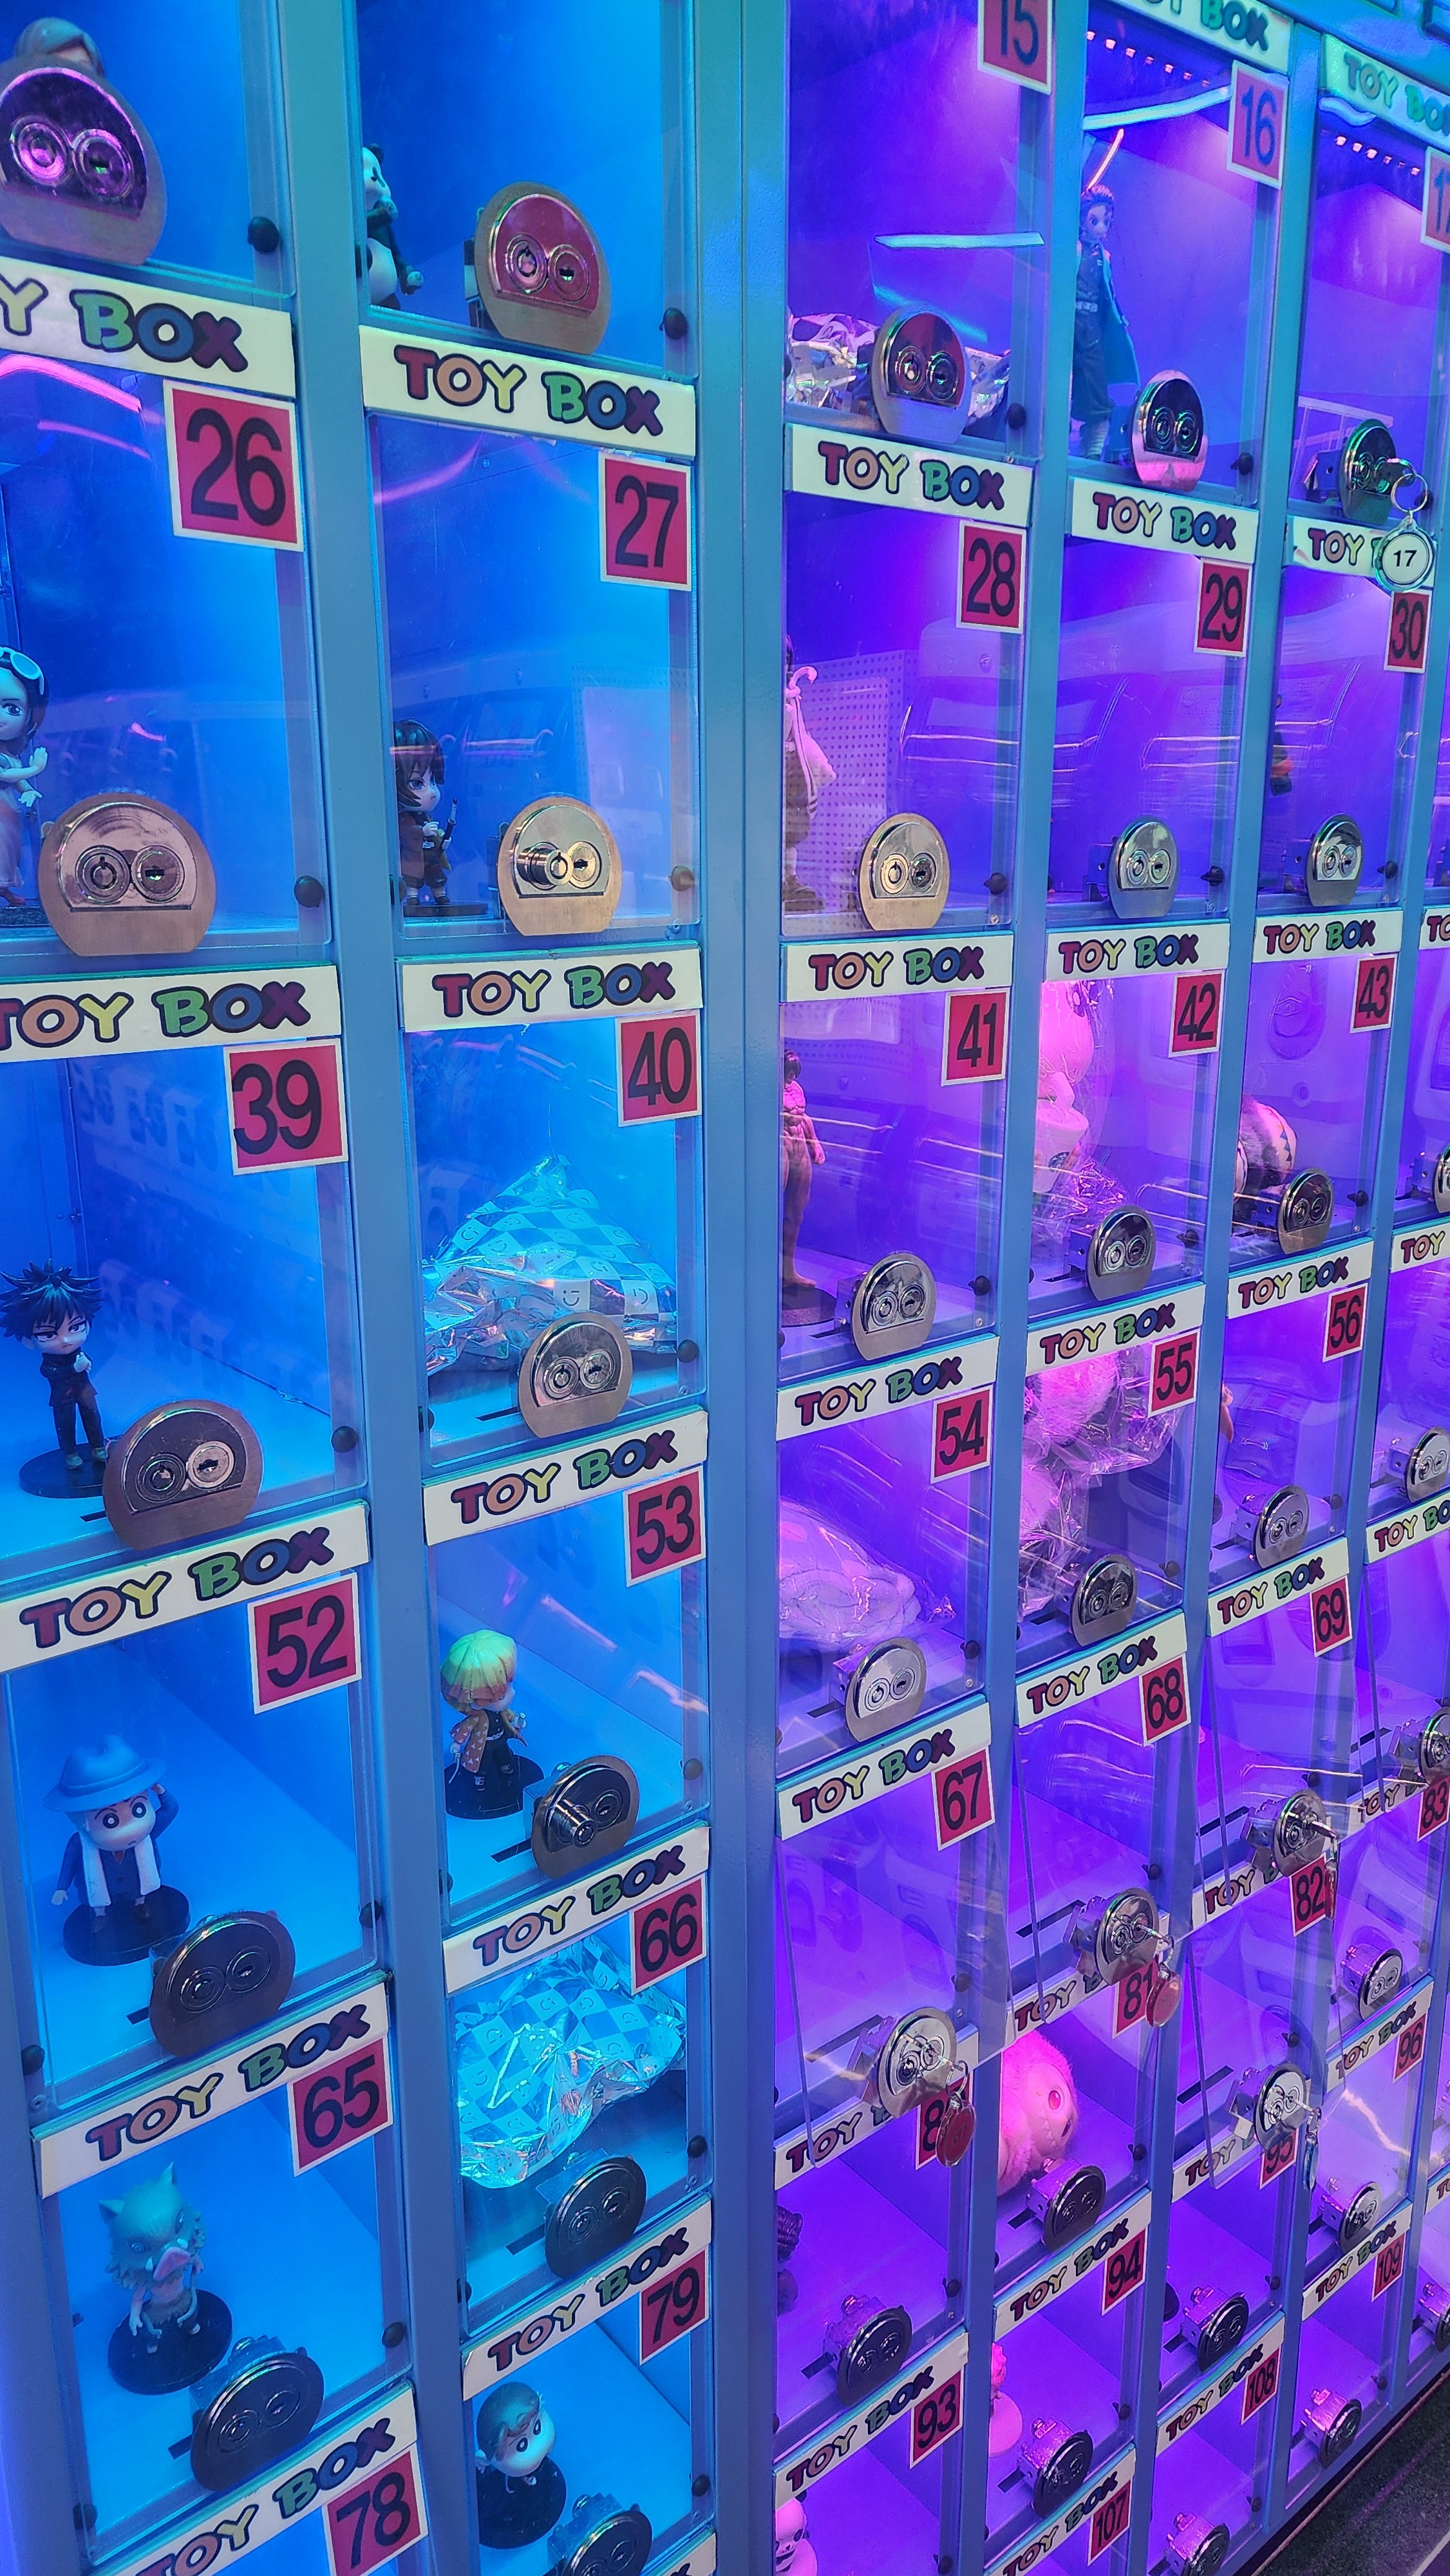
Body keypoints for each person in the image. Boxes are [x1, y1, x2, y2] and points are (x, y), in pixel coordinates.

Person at [1073, 184, 1137, 461]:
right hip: (1069, 322)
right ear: (1082, 221)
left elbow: (1109, 293)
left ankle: (1092, 448)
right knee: (1063, 379)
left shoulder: (1105, 258)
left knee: (1096, 386)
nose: (1101, 228)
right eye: (1095, 221)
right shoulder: (1074, 250)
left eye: (1106, 222)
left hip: (1092, 327)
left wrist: (1118, 319)